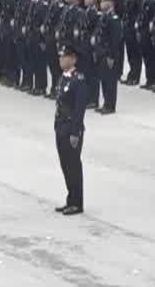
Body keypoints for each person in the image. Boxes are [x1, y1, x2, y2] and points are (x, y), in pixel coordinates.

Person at [53, 43, 87, 216]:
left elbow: (79, 109)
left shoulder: (78, 80)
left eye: (64, 57)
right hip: (61, 127)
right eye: (60, 56)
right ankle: (70, 199)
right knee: (65, 165)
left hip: (71, 129)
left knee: (73, 166)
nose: (61, 59)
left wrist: (75, 132)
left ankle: (77, 202)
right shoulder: (64, 77)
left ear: (73, 59)